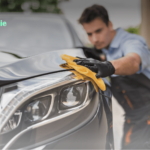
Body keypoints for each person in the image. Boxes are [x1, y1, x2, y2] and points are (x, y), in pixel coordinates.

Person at [74, 4, 150, 150]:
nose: (95, 39)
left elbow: (133, 61)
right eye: (89, 34)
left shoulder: (132, 41)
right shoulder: (106, 49)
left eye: (98, 31)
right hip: (132, 119)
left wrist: (108, 66)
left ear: (109, 25)